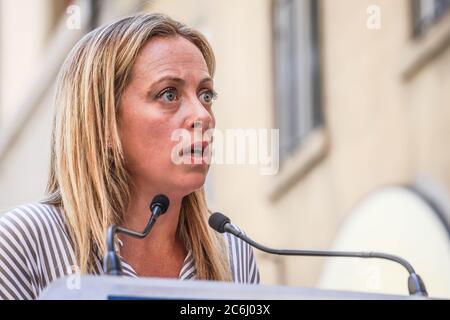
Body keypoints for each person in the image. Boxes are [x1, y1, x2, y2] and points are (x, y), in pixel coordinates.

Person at [0, 13, 259, 300]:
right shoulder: (23, 240)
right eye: (169, 94)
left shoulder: (233, 250)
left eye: (206, 95)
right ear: (104, 124)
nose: (202, 115)